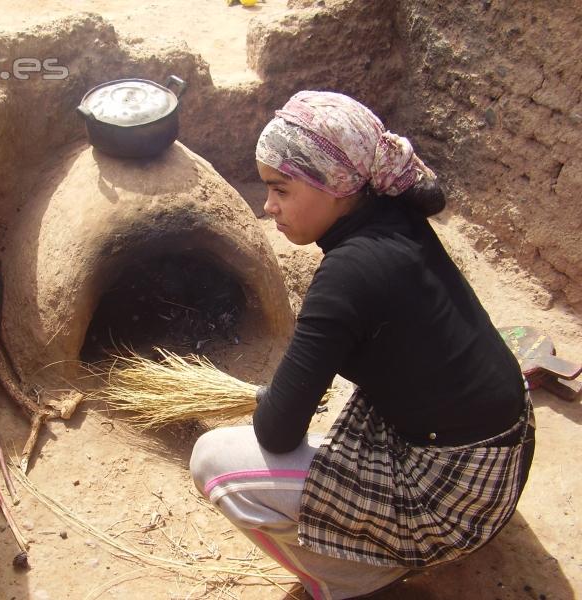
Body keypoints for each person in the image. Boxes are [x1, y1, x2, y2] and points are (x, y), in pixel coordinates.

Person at [189, 91, 535, 599]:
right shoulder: (395, 217)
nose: (269, 207)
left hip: (458, 500)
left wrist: (269, 398)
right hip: (508, 450)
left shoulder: (347, 276)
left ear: (331, 186)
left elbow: (278, 431)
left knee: (212, 461)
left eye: (280, 189)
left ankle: (354, 580)